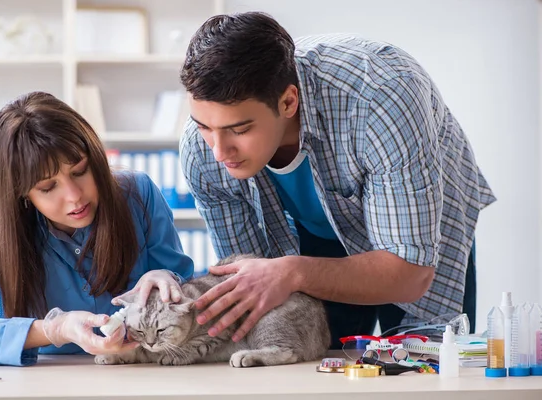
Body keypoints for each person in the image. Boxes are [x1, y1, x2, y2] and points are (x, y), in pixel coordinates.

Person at [179, 12, 495, 347]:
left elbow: (410, 274)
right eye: (204, 126)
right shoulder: (200, 152)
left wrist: (294, 273)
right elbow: (250, 292)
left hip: (416, 233)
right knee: (308, 354)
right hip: (307, 236)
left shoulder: (382, 97)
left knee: (423, 359)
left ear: (288, 102)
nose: (218, 151)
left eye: (239, 129)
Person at [0, 91, 194, 366]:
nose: (75, 196)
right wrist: (53, 329)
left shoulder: (139, 193)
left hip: (142, 372)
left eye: (80, 171)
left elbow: (189, 301)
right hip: (47, 379)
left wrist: (167, 278)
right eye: (48, 187)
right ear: (22, 194)